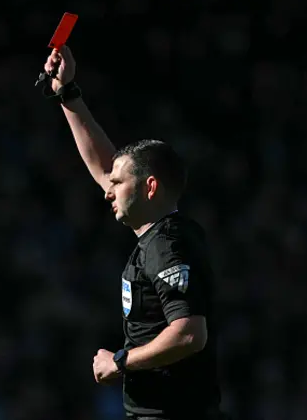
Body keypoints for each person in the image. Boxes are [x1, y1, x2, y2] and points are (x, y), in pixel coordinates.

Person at [42, 46, 225, 420]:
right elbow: (105, 167)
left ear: (150, 188)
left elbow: (190, 333)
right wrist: (67, 93)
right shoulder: (162, 233)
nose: (107, 190)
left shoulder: (167, 247)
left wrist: (121, 361)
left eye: (119, 183)